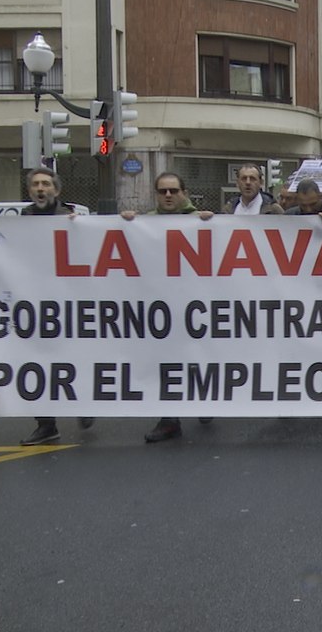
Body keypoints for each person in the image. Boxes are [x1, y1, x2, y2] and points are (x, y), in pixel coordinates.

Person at [120, 172, 215, 442]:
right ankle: (169, 419)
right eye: (163, 191)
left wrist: (213, 223)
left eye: (174, 190)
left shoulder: (201, 221)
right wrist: (127, 224)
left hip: (195, 307)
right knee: (165, 364)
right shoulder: (144, 223)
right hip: (160, 310)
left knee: (197, 358)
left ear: (184, 193)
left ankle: (206, 400)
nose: (169, 195)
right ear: (156, 195)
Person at [12, 167, 93, 446]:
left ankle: (85, 403)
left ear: (56, 190)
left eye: (45, 184)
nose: (40, 188)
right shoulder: (21, 221)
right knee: (37, 363)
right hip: (35, 306)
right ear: (29, 190)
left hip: (67, 305)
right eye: (35, 184)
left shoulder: (70, 219)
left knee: (72, 360)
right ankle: (46, 424)